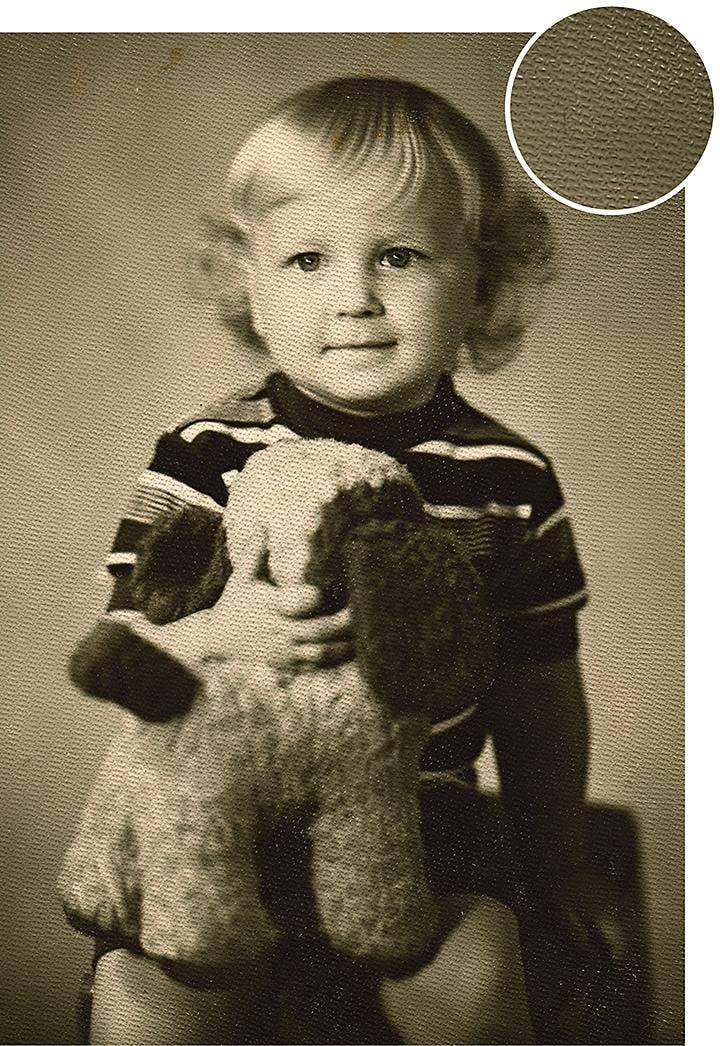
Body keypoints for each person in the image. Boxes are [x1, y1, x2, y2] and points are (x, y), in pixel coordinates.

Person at [78, 77, 605, 1044]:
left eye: (400, 255)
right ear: (254, 293)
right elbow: (126, 637)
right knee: (145, 1010)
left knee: (484, 979)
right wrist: (216, 632)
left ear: (480, 283)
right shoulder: (202, 453)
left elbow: (540, 688)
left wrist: (556, 868)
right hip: (218, 802)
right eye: (308, 259)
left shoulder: (509, 476)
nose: (355, 297)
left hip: (421, 810)